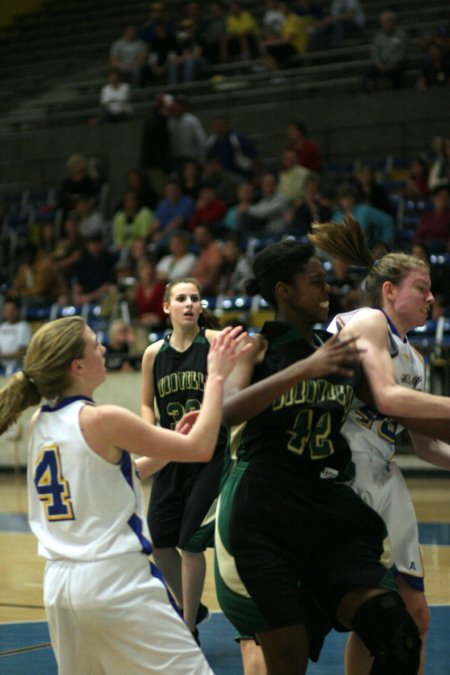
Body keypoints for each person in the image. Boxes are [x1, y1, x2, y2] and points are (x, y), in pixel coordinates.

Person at [215, 239, 422, 675]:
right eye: (315, 283)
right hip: (264, 508)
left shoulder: (337, 354)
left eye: (326, 281)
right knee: (287, 662)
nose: (327, 290)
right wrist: (303, 369)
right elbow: (228, 409)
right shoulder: (258, 346)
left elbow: (394, 406)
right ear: (284, 291)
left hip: (324, 504)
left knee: (397, 631)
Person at [0, 314, 248, 673]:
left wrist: (168, 444)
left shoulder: (41, 421)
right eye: (94, 343)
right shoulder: (102, 420)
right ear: (77, 365)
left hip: (59, 585)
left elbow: (118, 474)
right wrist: (218, 375)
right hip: (114, 580)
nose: (103, 348)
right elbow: (202, 447)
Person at [309, 217, 450, 674]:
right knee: (362, 614)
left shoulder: (415, 359)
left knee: (415, 617)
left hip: (383, 474)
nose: (432, 298)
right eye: (422, 288)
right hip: (339, 471)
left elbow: (426, 446)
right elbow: (387, 398)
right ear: (389, 290)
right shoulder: (366, 321)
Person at [141, 278, 244, 642]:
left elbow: (240, 388)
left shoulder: (215, 344)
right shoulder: (153, 353)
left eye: (195, 298)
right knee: (159, 540)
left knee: (191, 541)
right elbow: (145, 403)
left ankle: (186, 627)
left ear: (201, 307)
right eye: (181, 298)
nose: (189, 304)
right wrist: (148, 433)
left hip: (209, 455)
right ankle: (192, 605)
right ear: (166, 307)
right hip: (170, 453)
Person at [363, 11, 407, 92]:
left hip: (395, 63)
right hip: (381, 63)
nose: (387, 23)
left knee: (397, 70)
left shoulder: (400, 34)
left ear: (394, 22)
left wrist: (390, 64)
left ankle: (398, 91)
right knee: (368, 72)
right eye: (385, 22)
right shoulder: (378, 36)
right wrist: (378, 64)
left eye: (389, 21)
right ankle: (370, 90)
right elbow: (374, 52)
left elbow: (401, 52)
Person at [0, 297, 32, 376]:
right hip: (2, 367)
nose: (8, 313)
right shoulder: (2, 327)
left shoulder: (24, 327)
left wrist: (2, 355)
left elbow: (21, 352)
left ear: (17, 311)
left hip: (18, 368)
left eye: (11, 310)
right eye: (6, 310)